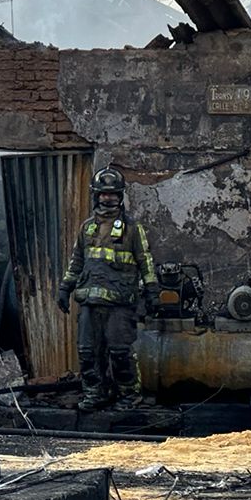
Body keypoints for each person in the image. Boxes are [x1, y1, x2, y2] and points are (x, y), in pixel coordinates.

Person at [57, 166, 159, 411]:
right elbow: (77, 261)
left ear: (120, 196)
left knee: (121, 353)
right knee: (88, 353)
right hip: (90, 303)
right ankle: (96, 395)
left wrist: (152, 292)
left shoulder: (132, 229)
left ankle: (128, 397)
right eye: (103, 194)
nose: (108, 198)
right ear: (96, 195)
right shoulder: (87, 228)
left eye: (113, 194)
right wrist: (65, 288)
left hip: (120, 305)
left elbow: (146, 261)